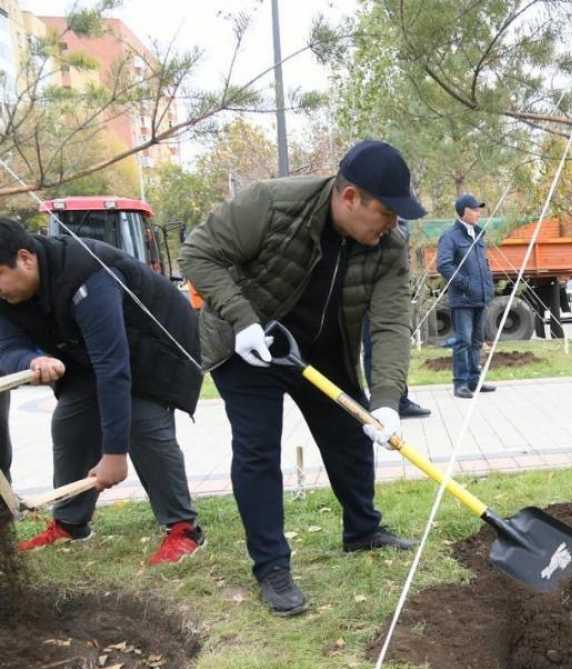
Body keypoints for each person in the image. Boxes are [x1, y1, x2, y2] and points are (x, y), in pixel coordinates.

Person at [180, 140, 424, 617]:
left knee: (350, 436)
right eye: (386, 212)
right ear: (350, 197)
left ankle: (363, 530)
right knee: (258, 449)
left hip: (323, 346)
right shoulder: (270, 204)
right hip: (250, 343)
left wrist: (388, 401)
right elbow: (198, 254)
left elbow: (392, 322)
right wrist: (243, 318)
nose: (393, 224)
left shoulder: (389, 245)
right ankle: (272, 567)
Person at [0, 218, 204, 563]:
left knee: (141, 421)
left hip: (153, 349)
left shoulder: (86, 274)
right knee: (69, 423)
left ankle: (183, 528)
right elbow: (6, 347)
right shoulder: (8, 292)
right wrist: (32, 360)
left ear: (25, 258)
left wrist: (114, 454)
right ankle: (71, 524)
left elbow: (114, 366)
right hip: (84, 354)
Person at [437, 194, 495, 399]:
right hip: (462, 299)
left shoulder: (478, 235)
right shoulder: (450, 236)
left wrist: (487, 284)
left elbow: (483, 264)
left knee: (477, 341)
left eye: (479, 209)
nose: (479, 212)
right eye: (475, 209)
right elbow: (444, 265)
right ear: (464, 211)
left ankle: (474, 381)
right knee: (463, 340)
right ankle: (460, 383)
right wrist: (466, 284)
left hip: (481, 296)